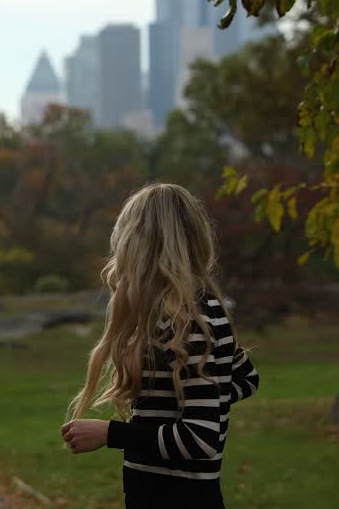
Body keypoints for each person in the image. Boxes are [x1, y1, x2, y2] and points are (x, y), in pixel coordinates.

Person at [60, 183, 259, 508]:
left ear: (136, 244)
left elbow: (200, 438)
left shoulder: (187, 322)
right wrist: (210, 400)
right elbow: (246, 379)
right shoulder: (182, 314)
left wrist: (111, 433)